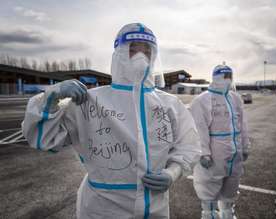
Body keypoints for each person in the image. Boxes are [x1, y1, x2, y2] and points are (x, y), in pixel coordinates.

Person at [22, 23, 201, 219]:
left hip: (154, 208)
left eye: (146, 51)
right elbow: (43, 138)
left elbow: (188, 145)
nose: (140, 56)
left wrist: (172, 173)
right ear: (120, 54)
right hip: (103, 209)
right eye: (133, 49)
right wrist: (51, 97)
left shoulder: (170, 104)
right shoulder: (90, 101)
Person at [190, 64, 250, 219]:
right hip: (214, 153)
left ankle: (227, 213)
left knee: (231, 185)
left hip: (234, 153)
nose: (227, 80)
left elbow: (242, 124)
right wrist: (204, 153)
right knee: (209, 186)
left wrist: (245, 146)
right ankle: (209, 214)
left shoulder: (235, 98)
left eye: (230, 76)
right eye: (224, 76)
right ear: (215, 77)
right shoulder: (202, 100)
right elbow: (199, 129)